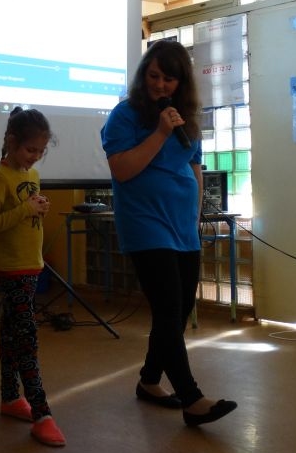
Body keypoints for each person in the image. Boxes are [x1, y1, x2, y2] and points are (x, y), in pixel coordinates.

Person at [100, 39, 237, 427]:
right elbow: (122, 169)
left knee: (178, 312)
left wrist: (194, 218)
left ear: (181, 83)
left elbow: (194, 168)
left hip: (182, 226)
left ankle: (149, 380)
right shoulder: (125, 115)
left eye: (168, 79)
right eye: (154, 75)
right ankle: (192, 399)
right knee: (166, 309)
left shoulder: (185, 119)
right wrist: (159, 132)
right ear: (144, 75)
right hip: (145, 223)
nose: (159, 84)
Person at [0, 107, 66, 447]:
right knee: (26, 337)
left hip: (31, 265)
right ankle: (41, 412)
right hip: (11, 269)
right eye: (30, 150)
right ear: (11, 142)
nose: (34, 157)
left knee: (11, 332)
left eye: (40, 152)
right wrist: (25, 209)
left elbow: (25, 218)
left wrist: (37, 208)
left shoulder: (33, 175)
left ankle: (10, 397)